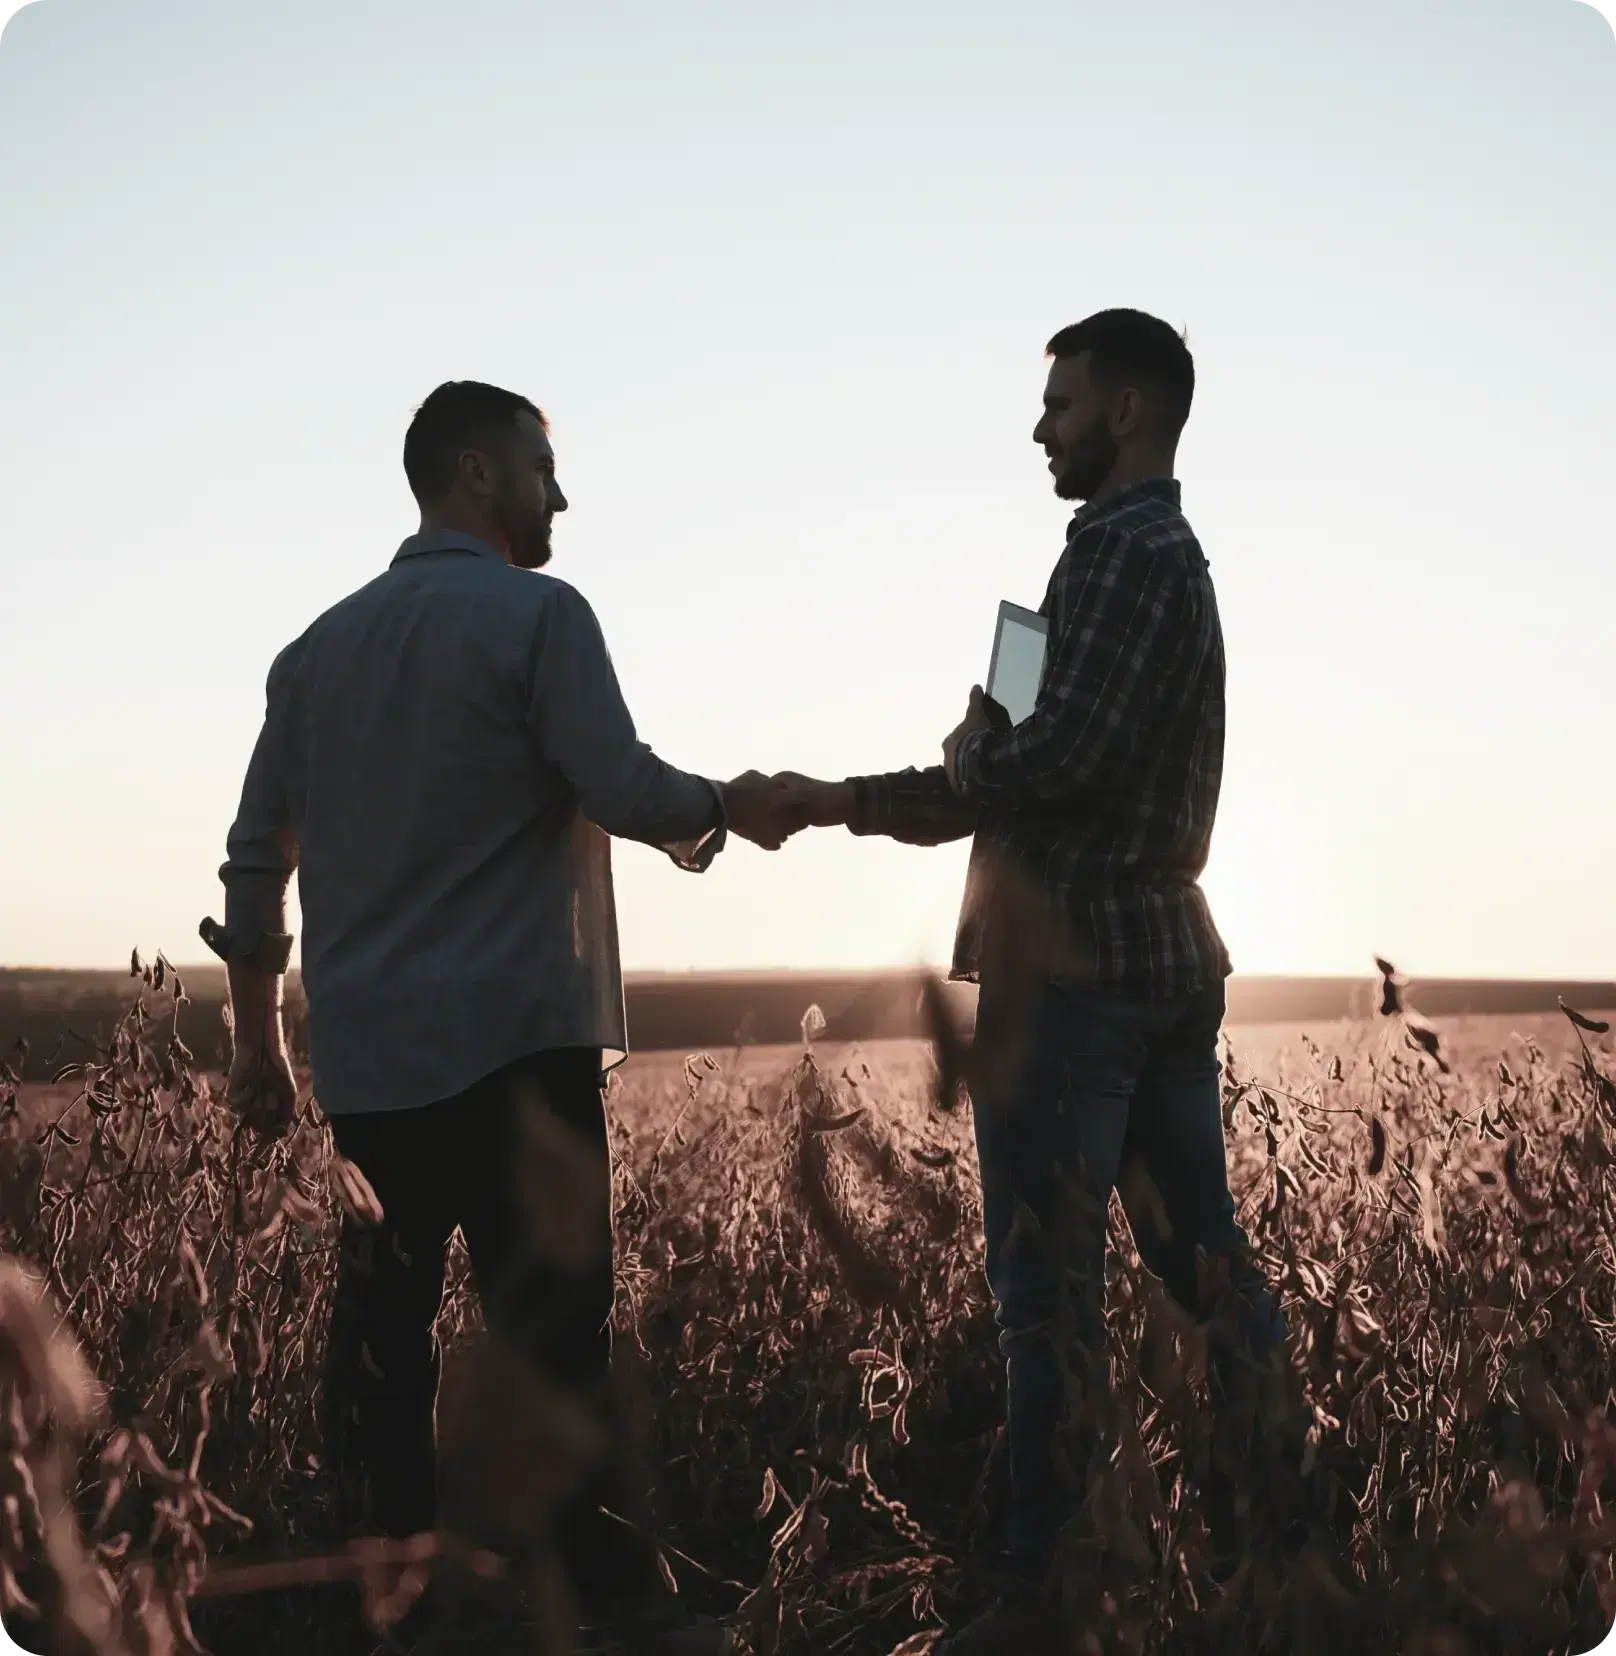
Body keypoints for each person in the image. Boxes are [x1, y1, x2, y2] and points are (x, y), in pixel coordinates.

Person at [203, 380, 788, 1654]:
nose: (559, 495)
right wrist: (722, 812)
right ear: (475, 473)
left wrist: (259, 1047)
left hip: (372, 1077)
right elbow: (619, 783)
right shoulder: (540, 615)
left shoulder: (313, 655)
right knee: (557, 1352)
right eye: (543, 467)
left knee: (383, 1365)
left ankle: (394, 1613)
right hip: (522, 1060)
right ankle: (607, 1614)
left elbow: (255, 864)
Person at [775, 312, 1318, 1632]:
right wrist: (841, 795)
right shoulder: (1089, 570)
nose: (1039, 426)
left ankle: (1039, 1579)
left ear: (1126, 410)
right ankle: (1290, 1525)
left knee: (1044, 1298)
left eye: (1061, 403)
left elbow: (1039, 759)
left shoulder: (1127, 553)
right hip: (1151, 964)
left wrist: (965, 755)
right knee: (1202, 1270)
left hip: (1082, 982)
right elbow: (998, 748)